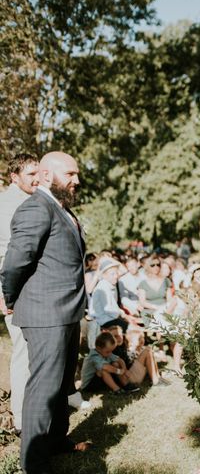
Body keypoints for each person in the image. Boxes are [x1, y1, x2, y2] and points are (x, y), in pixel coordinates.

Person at [1, 151, 93, 472]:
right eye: (70, 174)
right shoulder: (35, 208)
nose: (76, 180)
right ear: (45, 175)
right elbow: (15, 262)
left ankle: (56, 441)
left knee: (63, 384)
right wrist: (10, 299)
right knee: (43, 389)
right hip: (44, 316)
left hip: (67, 313)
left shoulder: (61, 209)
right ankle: (34, 462)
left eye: (77, 173)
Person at [0, 153, 39, 433]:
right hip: (14, 291)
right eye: (30, 175)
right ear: (14, 177)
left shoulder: (28, 199)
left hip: (30, 289)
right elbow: (5, 254)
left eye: (38, 173)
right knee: (23, 353)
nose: (36, 179)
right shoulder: (7, 205)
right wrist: (4, 294)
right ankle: (22, 420)